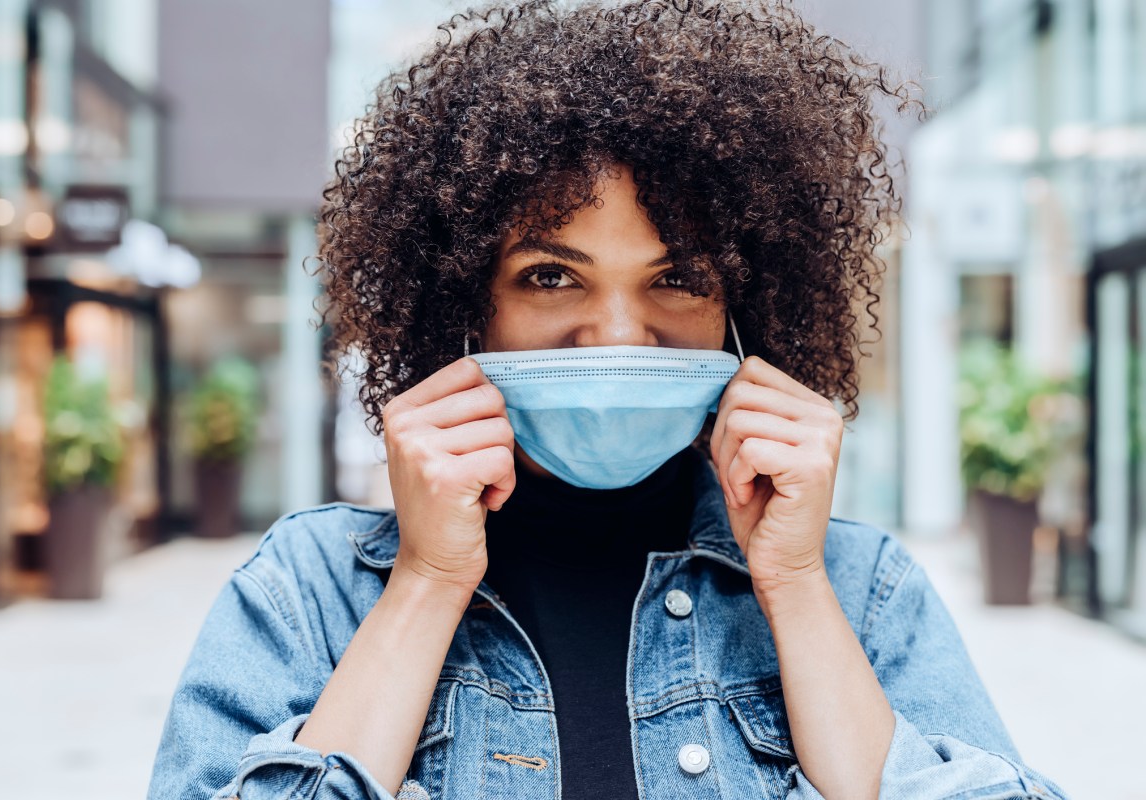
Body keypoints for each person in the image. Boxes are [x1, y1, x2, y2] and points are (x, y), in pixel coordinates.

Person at [148, 1, 1071, 798]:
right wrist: (426, 585)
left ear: (741, 312)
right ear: (468, 305)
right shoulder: (309, 593)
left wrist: (794, 589)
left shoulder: (861, 592)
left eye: (678, 277)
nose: (619, 334)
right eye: (552, 276)